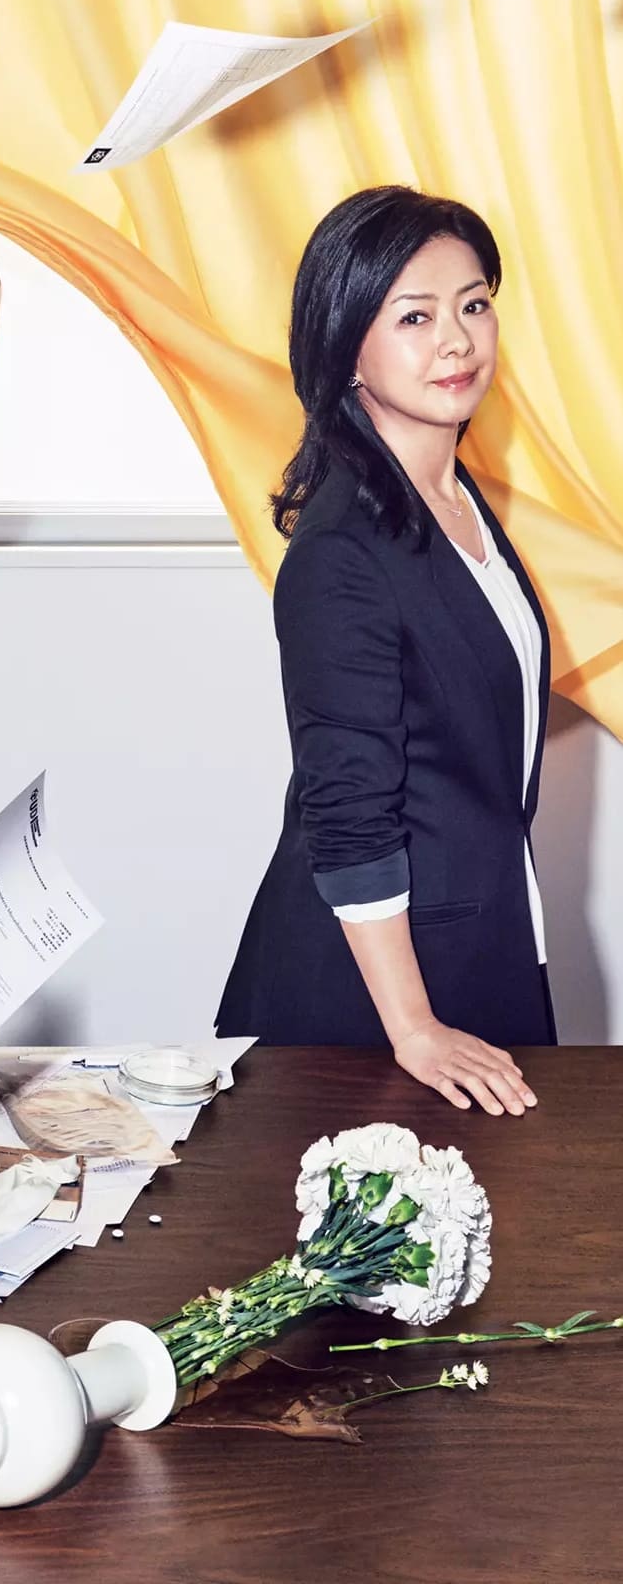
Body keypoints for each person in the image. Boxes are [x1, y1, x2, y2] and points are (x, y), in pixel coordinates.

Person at [220, 189, 548, 1114]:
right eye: (414, 317)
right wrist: (414, 1026)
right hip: (375, 1008)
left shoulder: (455, 496)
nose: (457, 341)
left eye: (474, 304)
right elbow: (348, 813)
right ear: (346, 346)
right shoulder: (342, 552)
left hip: (480, 944)